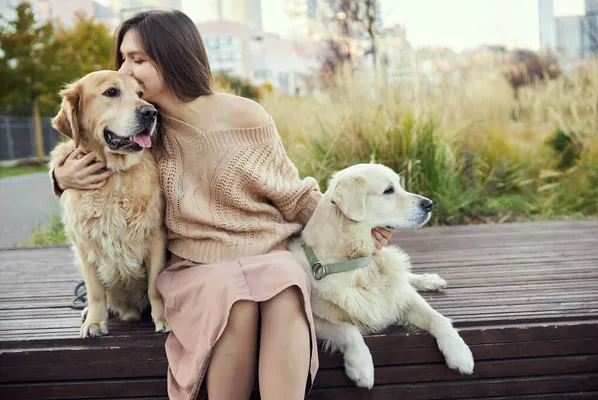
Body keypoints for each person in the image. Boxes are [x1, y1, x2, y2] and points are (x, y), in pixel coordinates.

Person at [50, 9, 391, 400]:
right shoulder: (138, 128)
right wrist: (59, 179)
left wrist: (356, 227)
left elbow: (293, 193)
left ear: (173, 57)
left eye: (138, 60)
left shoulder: (246, 115)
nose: (126, 70)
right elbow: (82, 152)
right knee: (236, 298)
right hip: (196, 264)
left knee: (284, 283)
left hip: (264, 249)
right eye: (123, 58)